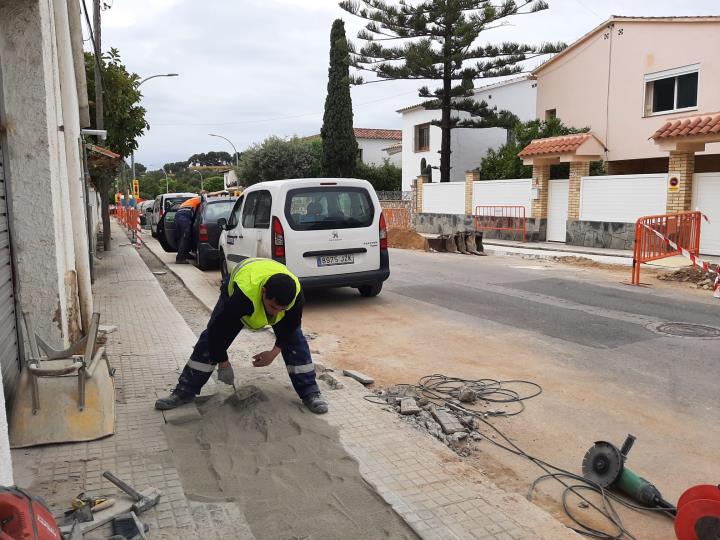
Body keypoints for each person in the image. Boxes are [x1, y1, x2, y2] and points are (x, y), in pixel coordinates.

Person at [154, 257, 329, 414]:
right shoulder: (242, 297)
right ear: (264, 292)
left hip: (268, 276)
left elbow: (290, 327)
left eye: (282, 309)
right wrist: (223, 363)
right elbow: (218, 331)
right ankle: (184, 391)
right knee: (210, 341)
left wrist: (273, 353)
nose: (275, 315)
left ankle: (310, 392)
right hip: (241, 284)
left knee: (296, 341)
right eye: (273, 307)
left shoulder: (296, 297)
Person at [174, 194, 204, 264]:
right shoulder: (200, 199)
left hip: (178, 216)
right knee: (185, 237)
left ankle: (185, 254)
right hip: (184, 217)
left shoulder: (190, 200)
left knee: (182, 237)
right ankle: (180, 259)